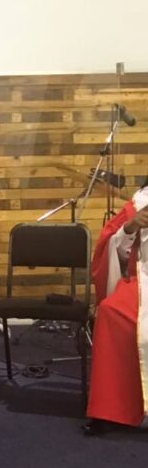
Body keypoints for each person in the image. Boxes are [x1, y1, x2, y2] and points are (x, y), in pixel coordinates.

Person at [85, 183, 148, 433]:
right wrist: (130, 227)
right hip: (143, 280)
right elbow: (112, 248)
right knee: (111, 312)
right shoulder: (138, 204)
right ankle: (110, 410)